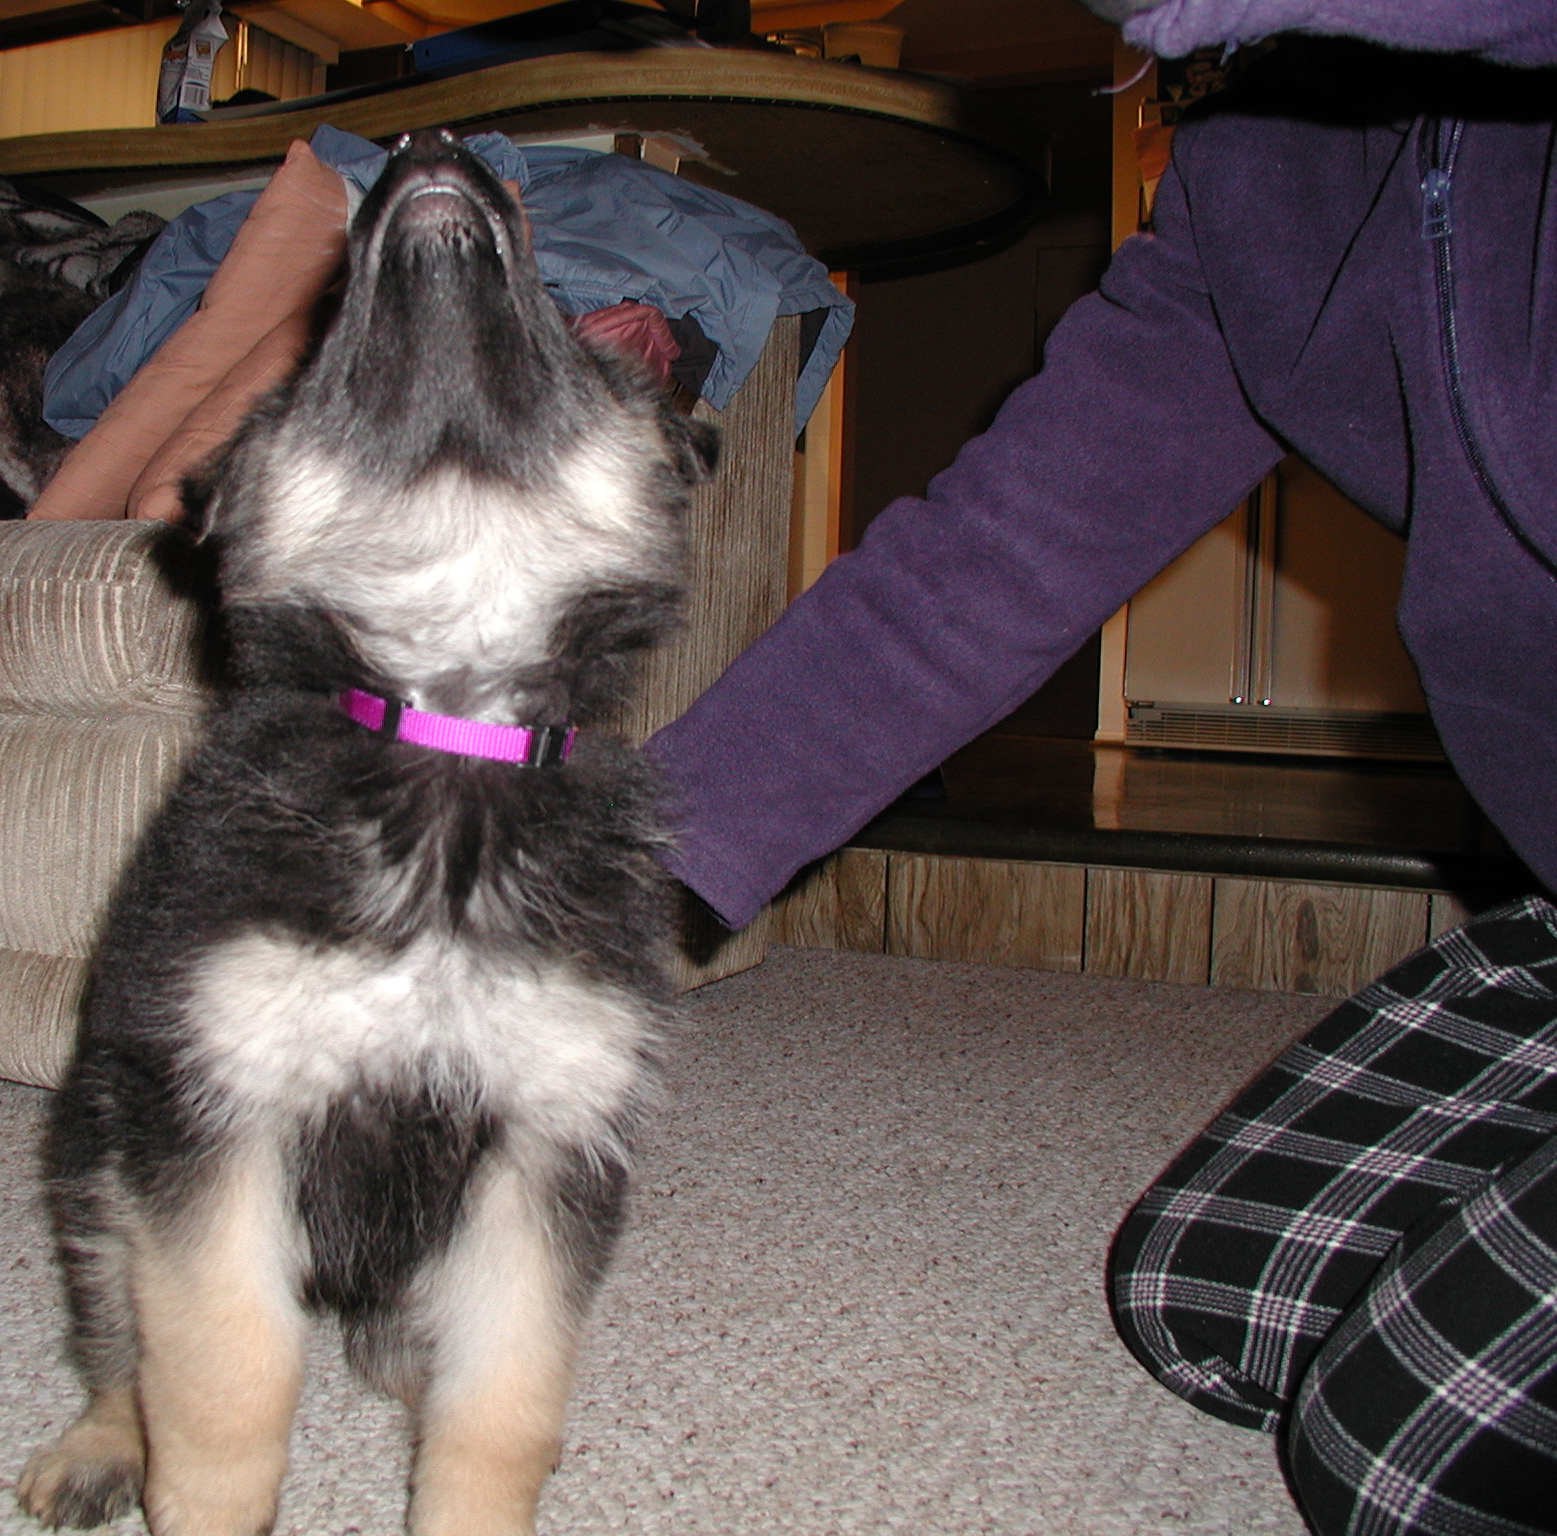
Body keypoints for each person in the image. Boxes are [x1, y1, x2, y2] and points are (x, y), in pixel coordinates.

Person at [643, 2, 1557, 1530]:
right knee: (1212, 1296)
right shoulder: (1263, 176)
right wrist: (602, 857)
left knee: (1399, 1458)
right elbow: (995, 557)